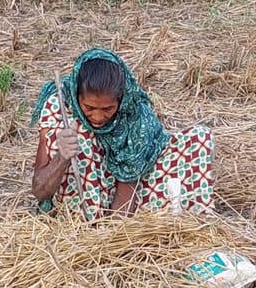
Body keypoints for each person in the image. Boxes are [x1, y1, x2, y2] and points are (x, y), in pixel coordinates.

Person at [30, 48, 215, 220]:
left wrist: (116, 235)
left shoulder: (134, 114)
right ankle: (86, 223)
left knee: (199, 138)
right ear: (76, 95)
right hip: (78, 207)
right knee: (78, 136)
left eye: (108, 108)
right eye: (89, 107)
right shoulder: (59, 107)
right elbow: (39, 191)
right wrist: (62, 157)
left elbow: (128, 187)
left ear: (121, 100)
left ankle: (182, 219)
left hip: (136, 197)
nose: (97, 116)